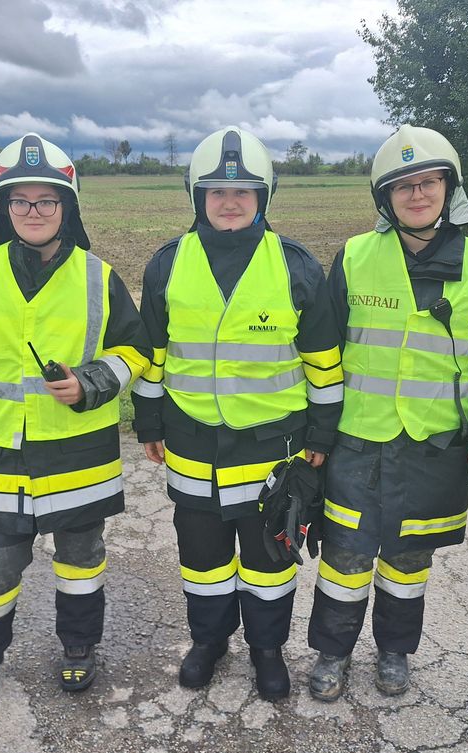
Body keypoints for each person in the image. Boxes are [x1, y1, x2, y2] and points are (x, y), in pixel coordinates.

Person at [0, 132, 151, 703]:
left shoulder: (98, 276)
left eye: (47, 201)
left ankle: (78, 646)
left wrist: (91, 382)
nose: (34, 212)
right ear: (4, 207)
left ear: (67, 207)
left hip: (79, 455)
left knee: (80, 560)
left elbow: (136, 351)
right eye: (21, 201)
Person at [131, 126, 343, 701]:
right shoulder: (167, 264)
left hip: (273, 449)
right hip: (191, 442)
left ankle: (267, 650)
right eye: (217, 192)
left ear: (263, 198)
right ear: (197, 197)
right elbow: (152, 354)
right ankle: (209, 641)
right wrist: (148, 422)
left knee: (270, 560)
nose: (229, 202)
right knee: (202, 559)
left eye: (243, 192)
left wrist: (322, 433)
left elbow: (325, 364)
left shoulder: (296, 266)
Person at [306, 125, 468, 700]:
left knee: (407, 556)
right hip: (357, 438)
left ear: (449, 190)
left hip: (433, 444)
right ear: (385, 199)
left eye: (429, 183)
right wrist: (318, 430)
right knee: (345, 556)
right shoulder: (354, 255)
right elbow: (325, 348)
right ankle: (332, 652)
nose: (417, 195)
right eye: (403, 187)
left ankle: (395, 650)